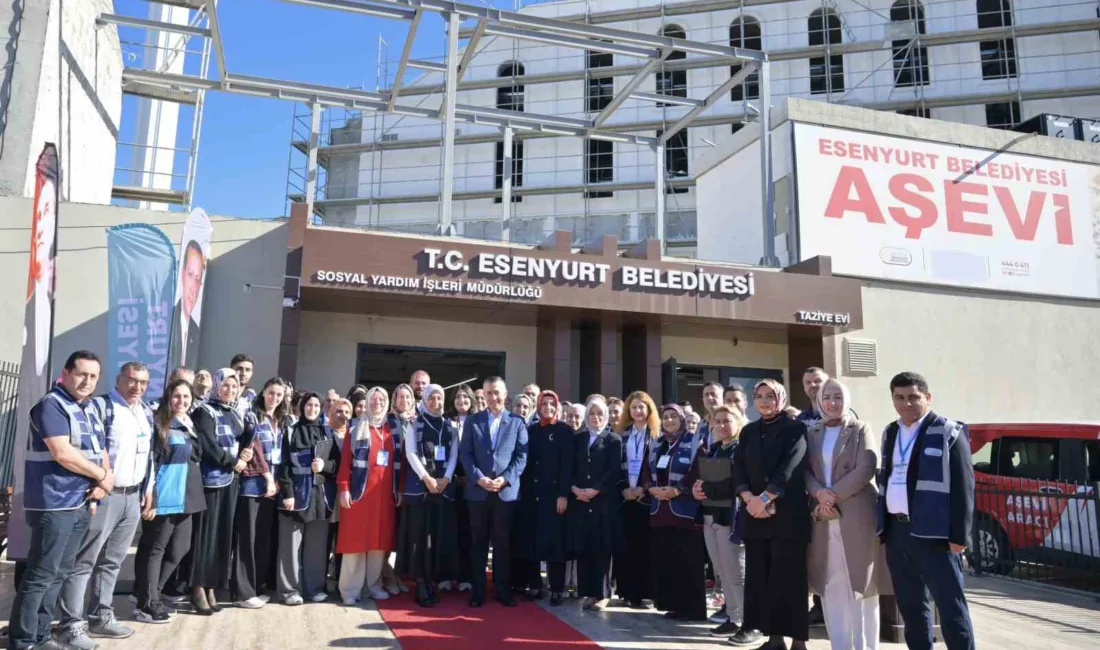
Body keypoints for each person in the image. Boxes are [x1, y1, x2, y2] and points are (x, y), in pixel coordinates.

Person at [10, 351, 109, 650]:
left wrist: (102, 483)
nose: (87, 381)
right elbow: (62, 453)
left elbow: (99, 448)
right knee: (40, 575)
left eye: (93, 376)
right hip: (53, 504)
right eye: (81, 374)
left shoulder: (89, 408)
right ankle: (23, 640)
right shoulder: (50, 406)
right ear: (65, 374)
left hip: (79, 502)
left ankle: (41, 636)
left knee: (59, 574)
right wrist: (103, 474)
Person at [58, 361, 155, 647]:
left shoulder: (144, 411)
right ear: (118, 379)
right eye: (132, 380)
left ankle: (100, 616)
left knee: (112, 562)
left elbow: (147, 454)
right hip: (105, 496)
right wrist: (96, 484)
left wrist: (147, 488)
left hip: (132, 497)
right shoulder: (100, 406)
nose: (137, 387)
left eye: (143, 382)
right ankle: (70, 626)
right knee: (84, 561)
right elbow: (85, 449)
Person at [878, 372, 975, 650]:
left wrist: (960, 536)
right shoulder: (891, 432)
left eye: (913, 397)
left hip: (936, 536)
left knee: (950, 606)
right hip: (897, 533)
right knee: (911, 608)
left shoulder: (949, 430)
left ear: (927, 397)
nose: (906, 403)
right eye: (899, 397)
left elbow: (964, 486)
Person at [732, 379, 811, 650]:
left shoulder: (796, 428)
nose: (765, 401)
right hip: (756, 516)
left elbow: (791, 466)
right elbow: (738, 468)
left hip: (788, 517)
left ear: (782, 398)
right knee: (762, 578)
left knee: (790, 579)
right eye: (760, 396)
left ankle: (799, 641)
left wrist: (766, 498)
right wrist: (749, 499)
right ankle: (774, 638)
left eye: (770, 396)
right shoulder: (749, 431)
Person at [806, 378, 883, 650]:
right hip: (823, 517)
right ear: (819, 401)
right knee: (832, 584)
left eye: (838, 396)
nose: (832, 402)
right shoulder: (813, 431)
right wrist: (818, 493)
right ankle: (840, 645)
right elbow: (805, 471)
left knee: (861, 585)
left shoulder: (861, 429)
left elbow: (867, 467)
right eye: (827, 396)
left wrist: (832, 494)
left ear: (846, 399)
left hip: (856, 515)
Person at [134, 379, 206, 624]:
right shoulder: (158, 423)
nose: (181, 401)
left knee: (179, 549)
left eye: (186, 397)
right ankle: (147, 603)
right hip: (165, 495)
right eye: (177, 396)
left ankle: (152, 593)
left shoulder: (189, 423)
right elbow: (151, 463)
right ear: (168, 397)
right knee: (155, 549)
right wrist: (150, 496)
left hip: (187, 496)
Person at [459, 376, 528, 607]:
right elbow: (465, 454)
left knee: (503, 544)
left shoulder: (517, 422)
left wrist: (504, 480)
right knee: (477, 544)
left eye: (497, 392)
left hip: (505, 493)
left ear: (505, 394)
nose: (493, 397)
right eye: (489, 393)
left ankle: (502, 590)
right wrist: (479, 478)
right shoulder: (473, 421)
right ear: (484, 395)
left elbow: (521, 456)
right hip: (478, 492)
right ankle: (478, 592)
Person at [693, 406, 760, 644]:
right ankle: (733, 617)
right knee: (721, 570)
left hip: (731, 517)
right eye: (717, 421)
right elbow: (702, 477)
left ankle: (747, 621)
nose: (721, 425)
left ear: (738, 421)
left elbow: (738, 482)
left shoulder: (742, 448)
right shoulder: (714, 449)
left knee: (736, 572)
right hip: (711, 514)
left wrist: (708, 488)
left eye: (727, 421)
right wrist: (697, 488)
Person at [190, 368, 251, 615]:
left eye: (234, 387)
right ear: (216, 385)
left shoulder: (234, 412)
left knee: (222, 537)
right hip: (211, 482)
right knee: (206, 536)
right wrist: (232, 461)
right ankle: (197, 587)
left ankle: (212, 585)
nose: (230, 390)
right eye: (225, 385)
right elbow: (208, 445)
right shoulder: (204, 411)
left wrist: (244, 454)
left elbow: (244, 438)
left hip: (231, 481)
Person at [395, 384, 460, 607]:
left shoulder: (450, 426)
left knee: (438, 537)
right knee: (419, 538)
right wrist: (427, 478)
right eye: (431, 398)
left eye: (439, 398)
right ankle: (421, 582)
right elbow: (411, 453)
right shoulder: (416, 423)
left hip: (442, 489)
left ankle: (433, 580)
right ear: (425, 400)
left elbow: (453, 455)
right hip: (421, 489)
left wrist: (447, 479)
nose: (436, 402)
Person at [336, 387, 400, 604]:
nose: (377, 403)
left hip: (384, 495)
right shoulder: (355, 426)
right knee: (354, 542)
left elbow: (401, 463)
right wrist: (344, 488)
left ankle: (372, 586)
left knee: (378, 543)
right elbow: (346, 460)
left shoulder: (393, 429)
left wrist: (398, 489)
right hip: (359, 494)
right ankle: (349, 591)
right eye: (373, 399)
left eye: (382, 399)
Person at [645, 403, 706, 622]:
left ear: (681, 419)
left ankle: (694, 610)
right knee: (668, 562)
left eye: (674, 417)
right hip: (660, 511)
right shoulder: (657, 444)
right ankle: (675, 606)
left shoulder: (694, 441)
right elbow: (646, 470)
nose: (669, 420)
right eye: (666, 417)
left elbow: (698, 470)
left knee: (688, 562)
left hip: (685, 513)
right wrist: (650, 488)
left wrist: (677, 490)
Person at [276, 392, 339, 605]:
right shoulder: (291, 430)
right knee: (290, 546)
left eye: (315, 405)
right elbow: (283, 464)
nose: (312, 409)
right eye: (308, 405)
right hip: (295, 495)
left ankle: (314, 588)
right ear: (302, 407)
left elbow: (337, 464)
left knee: (317, 546)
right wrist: (287, 493)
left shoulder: (327, 431)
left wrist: (325, 466)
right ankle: (289, 591)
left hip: (321, 497)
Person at [233, 378, 290, 609]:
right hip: (253, 486)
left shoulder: (280, 420)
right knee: (247, 538)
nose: (274, 398)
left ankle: (256, 587)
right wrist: (267, 478)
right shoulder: (252, 416)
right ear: (263, 392)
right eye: (271, 393)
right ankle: (242, 593)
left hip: (272, 487)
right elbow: (254, 450)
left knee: (262, 539)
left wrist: (276, 482)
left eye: (279, 394)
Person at [513, 390, 573, 605]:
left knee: (554, 542)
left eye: (551, 403)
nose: (548, 407)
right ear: (538, 406)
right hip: (531, 494)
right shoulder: (530, 430)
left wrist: (563, 495)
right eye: (544, 403)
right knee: (532, 540)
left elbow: (567, 466)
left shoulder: (565, 431)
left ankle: (556, 587)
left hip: (554, 496)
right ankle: (535, 584)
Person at [567, 397, 622, 611]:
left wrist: (596, 489)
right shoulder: (578, 438)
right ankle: (587, 592)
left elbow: (613, 470)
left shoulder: (613, 439)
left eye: (600, 414)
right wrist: (574, 489)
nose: (596, 417)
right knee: (584, 546)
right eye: (592, 413)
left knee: (601, 548)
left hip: (602, 502)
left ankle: (603, 594)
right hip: (580, 500)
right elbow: (569, 466)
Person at [613, 391, 658, 609]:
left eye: (642, 407)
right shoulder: (621, 435)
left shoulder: (656, 435)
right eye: (633, 408)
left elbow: (659, 469)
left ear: (649, 410)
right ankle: (627, 592)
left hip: (646, 499)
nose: (638, 411)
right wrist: (624, 489)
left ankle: (646, 593)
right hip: (626, 498)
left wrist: (644, 489)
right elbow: (614, 468)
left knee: (646, 548)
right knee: (626, 547)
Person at [446, 384, 479, 594]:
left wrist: (472, 477)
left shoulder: (478, 421)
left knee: (469, 533)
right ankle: (448, 576)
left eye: (465, 397)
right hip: (449, 484)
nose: (462, 401)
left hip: (473, 484)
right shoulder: (446, 422)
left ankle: (467, 576)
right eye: (458, 398)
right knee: (449, 532)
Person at [171, 240, 206, 369]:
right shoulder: (169, 321)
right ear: (182, 274)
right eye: (191, 275)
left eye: (197, 279)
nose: (193, 286)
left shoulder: (195, 330)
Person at [698, 381, 724, 446]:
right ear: (703, 399)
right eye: (706, 395)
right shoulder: (700, 424)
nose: (709, 398)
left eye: (713, 394)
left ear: (723, 397)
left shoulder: (730, 421)